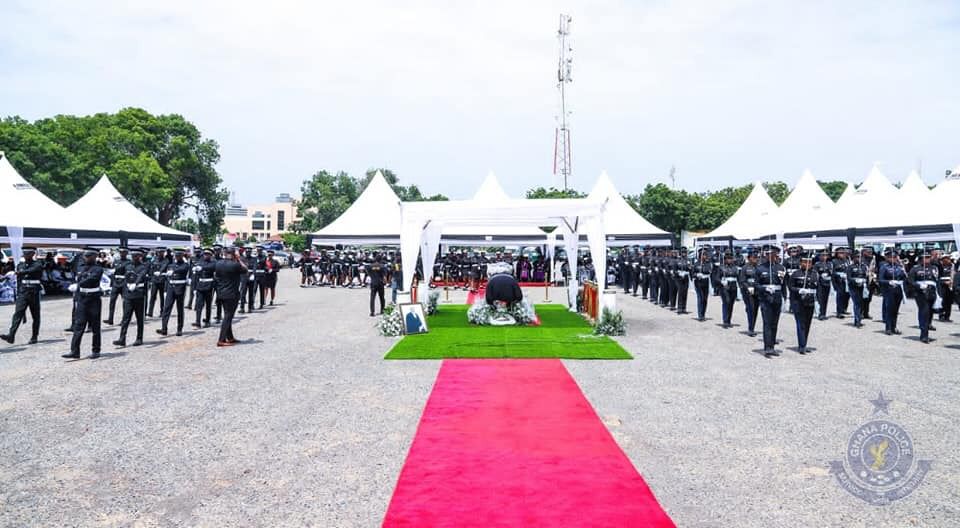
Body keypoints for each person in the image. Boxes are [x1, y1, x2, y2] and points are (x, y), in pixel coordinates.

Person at [63, 248, 104, 359]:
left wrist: (78, 284)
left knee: (95, 326)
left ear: (94, 257)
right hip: (82, 299)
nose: (85, 258)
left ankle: (96, 350)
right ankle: (74, 351)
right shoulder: (82, 268)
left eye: (87, 256)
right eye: (85, 256)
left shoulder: (98, 269)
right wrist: (76, 296)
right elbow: (78, 278)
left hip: (93, 299)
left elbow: (92, 279)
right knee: (78, 325)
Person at [1, 247, 44, 345]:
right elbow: (19, 280)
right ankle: (11, 335)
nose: (25, 255)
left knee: (35, 316)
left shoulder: (37, 264)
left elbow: (32, 270)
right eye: (24, 253)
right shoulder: (20, 265)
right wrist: (18, 292)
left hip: (34, 292)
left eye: (27, 253)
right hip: (23, 292)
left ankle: (34, 336)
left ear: (32, 254)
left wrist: (20, 272)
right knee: (17, 314)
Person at [113, 248, 150, 347]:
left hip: (139, 294)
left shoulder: (143, 266)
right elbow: (124, 276)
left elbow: (141, 276)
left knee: (139, 318)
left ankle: (139, 338)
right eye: (133, 256)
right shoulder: (128, 266)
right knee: (126, 317)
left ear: (140, 256)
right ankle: (122, 338)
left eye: (136, 256)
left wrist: (135, 284)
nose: (134, 257)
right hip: (128, 294)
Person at [215, 247, 248, 346]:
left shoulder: (218, 263)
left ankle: (230, 337)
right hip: (231, 293)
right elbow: (245, 269)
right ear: (233, 254)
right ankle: (221, 340)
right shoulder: (235, 264)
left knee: (227, 315)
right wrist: (238, 259)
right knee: (228, 316)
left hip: (221, 292)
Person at [757, 245, 786, 356]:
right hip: (765, 298)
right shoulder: (760, 268)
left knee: (774, 323)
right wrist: (765, 288)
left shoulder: (781, 268)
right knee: (767, 323)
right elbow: (756, 284)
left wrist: (785, 297)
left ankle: (772, 346)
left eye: (773, 254)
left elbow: (783, 284)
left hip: (777, 298)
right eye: (769, 254)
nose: (771, 256)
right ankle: (767, 347)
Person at [907, 245, 939, 344]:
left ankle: (927, 329)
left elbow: (936, 280)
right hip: (921, 293)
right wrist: (918, 286)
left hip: (932, 293)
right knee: (924, 312)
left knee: (930, 313)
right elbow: (910, 280)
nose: (927, 259)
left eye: (928, 257)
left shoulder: (934, 268)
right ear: (920, 259)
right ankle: (923, 334)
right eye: (925, 258)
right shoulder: (915, 269)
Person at [788, 251, 818, 353]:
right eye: (805, 262)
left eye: (809, 262)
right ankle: (801, 346)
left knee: (808, 323)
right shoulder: (796, 274)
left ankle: (804, 343)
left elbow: (817, 287)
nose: (807, 264)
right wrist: (798, 290)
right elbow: (791, 287)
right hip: (798, 302)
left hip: (810, 302)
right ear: (801, 263)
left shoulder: (815, 274)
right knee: (801, 324)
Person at [157, 248, 191, 337]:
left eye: (179, 256)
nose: (177, 257)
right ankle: (164, 328)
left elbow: (183, 269)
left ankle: (179, 329)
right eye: (176, 256)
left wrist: (173, 271)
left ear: (182, 256)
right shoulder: (171, 265)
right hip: (171, 288)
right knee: (166, 309)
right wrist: (165, 290)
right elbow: (167, 279)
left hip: (180, 289)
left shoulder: (185, 265)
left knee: (180, 310)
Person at [878, 248, 906, 335]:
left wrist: (904, 271)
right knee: (889, 309)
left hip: (898, 290)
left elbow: (904, 277)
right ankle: (888, 328)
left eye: (894, 257)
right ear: (887, 258)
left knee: (895, 310)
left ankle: (894, 327)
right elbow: (880, 280)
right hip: (889, 290)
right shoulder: (884, 267)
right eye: (891, 257)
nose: (893, 259)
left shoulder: (899, 266)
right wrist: (889, 282)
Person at [103, 247, 129, 325]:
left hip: (123, 283)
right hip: (115, 283)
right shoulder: (116, 261)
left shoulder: (128, 262)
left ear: (126, 253)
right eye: (120, 252)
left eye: (123, 252)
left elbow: (127, 272)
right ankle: (110, 319)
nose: (122, 254)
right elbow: (112, 271)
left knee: (125, 303)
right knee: (112, 301)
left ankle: (124, 320)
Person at [738, 249, 760, 337]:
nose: (756, 259)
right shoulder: (745, 268)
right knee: (751, 308)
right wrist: (748, 288)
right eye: (753, 257)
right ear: (749, 258)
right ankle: (751, 329)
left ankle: (752, 326)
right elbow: (742, 280)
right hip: (748, 292)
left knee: (755, 310)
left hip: (757, 291)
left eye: (756, 257)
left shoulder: (759, 267)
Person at [714, 251, 740, 328]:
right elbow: (716, 278)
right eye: (728, 258)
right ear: (725, 259)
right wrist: (721, 281)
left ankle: (728, 320)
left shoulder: (735, 267)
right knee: (726, 302)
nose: (729, 260)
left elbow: (738, 277)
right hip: (724, 287)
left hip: (733, 286)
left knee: (731, 304)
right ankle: (725, 321)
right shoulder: (721, 267)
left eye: (731, 258)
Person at [192, 248, 217, 328]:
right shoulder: (200, 262)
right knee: (199, 305)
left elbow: (211, 267)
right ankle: (197, 321)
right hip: (200, 285)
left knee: (208, 304)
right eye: (205, 254)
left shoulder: (213, 262)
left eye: (208, 254)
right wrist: (194, 288)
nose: (206, 255)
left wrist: (202, 268)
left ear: (211, 255)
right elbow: (196, 276)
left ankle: (207, 320)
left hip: (209, 285)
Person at [846, 249, 869, 328]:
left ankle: (859, 318)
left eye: (860, 257)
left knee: (862, 304)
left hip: (862, 287)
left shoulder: (864, 266)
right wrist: (855, 280)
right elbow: (849, 278)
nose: (858, 258)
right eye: (857, 257)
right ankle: (857, 321)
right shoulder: (850, 267)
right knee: (857, 304)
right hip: (854, 288)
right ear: (853, 258)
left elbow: (866, 276)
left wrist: (865, 280)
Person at [691, 247, 713, 322]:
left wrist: (704, 273)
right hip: (698, 283)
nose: (704, 256)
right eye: (702, 255)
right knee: (700, 298)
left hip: (705, 282)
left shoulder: (708, 263)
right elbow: (692, 273)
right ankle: (700, 315)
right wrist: (696, 275)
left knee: (705, 299)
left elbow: (709, 271)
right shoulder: (696, 263)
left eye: (705, 255)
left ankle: (703, 314)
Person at [147, 247, 168, 317]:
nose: (160, 253)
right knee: (152, 296)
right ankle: (150, 312)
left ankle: (162, 312)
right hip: (155, 280)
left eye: (161, 252)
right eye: (159, 252)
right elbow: (151, 268)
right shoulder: (154, 259)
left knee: (162, 297)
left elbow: (164, 267)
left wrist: (160, 272)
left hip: (162, 281)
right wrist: (150, 277)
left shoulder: (166, 260)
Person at [813, 249, 833, 320]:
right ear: (819, 256)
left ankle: (824, 313)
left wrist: (828, 274)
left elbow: (831, 272)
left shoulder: (829, 264)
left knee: (825, 299)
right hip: (820, 283)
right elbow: (815, 273)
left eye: (826, 255)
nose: (824, 257)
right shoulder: (817, 264)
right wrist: (820, 275)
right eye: (823, 255)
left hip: (827, 283)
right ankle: (820, 313)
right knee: (820, 299)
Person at [831, 246, 851, 318]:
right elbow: (832, 273)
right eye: (840, 253)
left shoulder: (847, 260)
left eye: (843, 252)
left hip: (847, 281)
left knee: (847, 296)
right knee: (840, 296)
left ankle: (844, 309)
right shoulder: (834, 261)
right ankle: (839, 312)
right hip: (839, 281)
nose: (842, 254)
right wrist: (834, 284)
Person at [938, 254, 954, 322]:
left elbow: (953, 274)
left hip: (950, 285)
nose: (947, 260)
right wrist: (944, 282)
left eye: (948, 258)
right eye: (946, 258)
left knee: (949, 301)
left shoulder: (952, 266)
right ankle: (941, 315)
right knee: (943, 301)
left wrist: (951, 282)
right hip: (942, 285)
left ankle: (947, 316)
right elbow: (938, 277)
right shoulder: (940, 266)